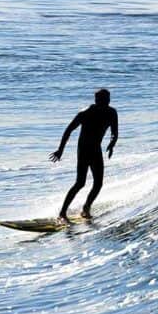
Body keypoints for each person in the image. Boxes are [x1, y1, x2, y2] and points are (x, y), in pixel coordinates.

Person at [49, 89, 119, 220]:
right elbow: (68, 130)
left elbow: (114, 132)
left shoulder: (111, 113)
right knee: (80, 183)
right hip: (84, 150)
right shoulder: (85, 113)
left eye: (107, 99)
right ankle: (62, 213)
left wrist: (112, 143)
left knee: (98, 183)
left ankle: (86, 208)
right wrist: (60, 150)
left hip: (96, 150)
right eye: (103, 99)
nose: (106, 102)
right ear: (96, 100)